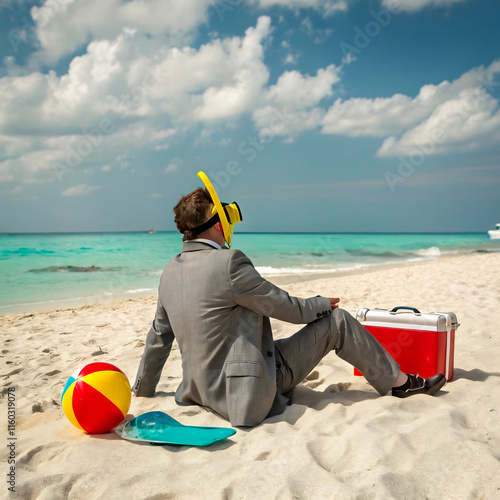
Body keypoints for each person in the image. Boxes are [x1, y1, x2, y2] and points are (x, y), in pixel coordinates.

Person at [132, 172, 446, 427]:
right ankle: (402, 383)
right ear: (217, 224)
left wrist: (142, 390)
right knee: (337, 323)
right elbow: (286, 307)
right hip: (245, 394)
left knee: (276, 345)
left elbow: (158, 338)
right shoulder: (229, 262)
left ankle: (397, 379)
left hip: (198, 392)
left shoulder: (169, 271)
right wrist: (322, 303)